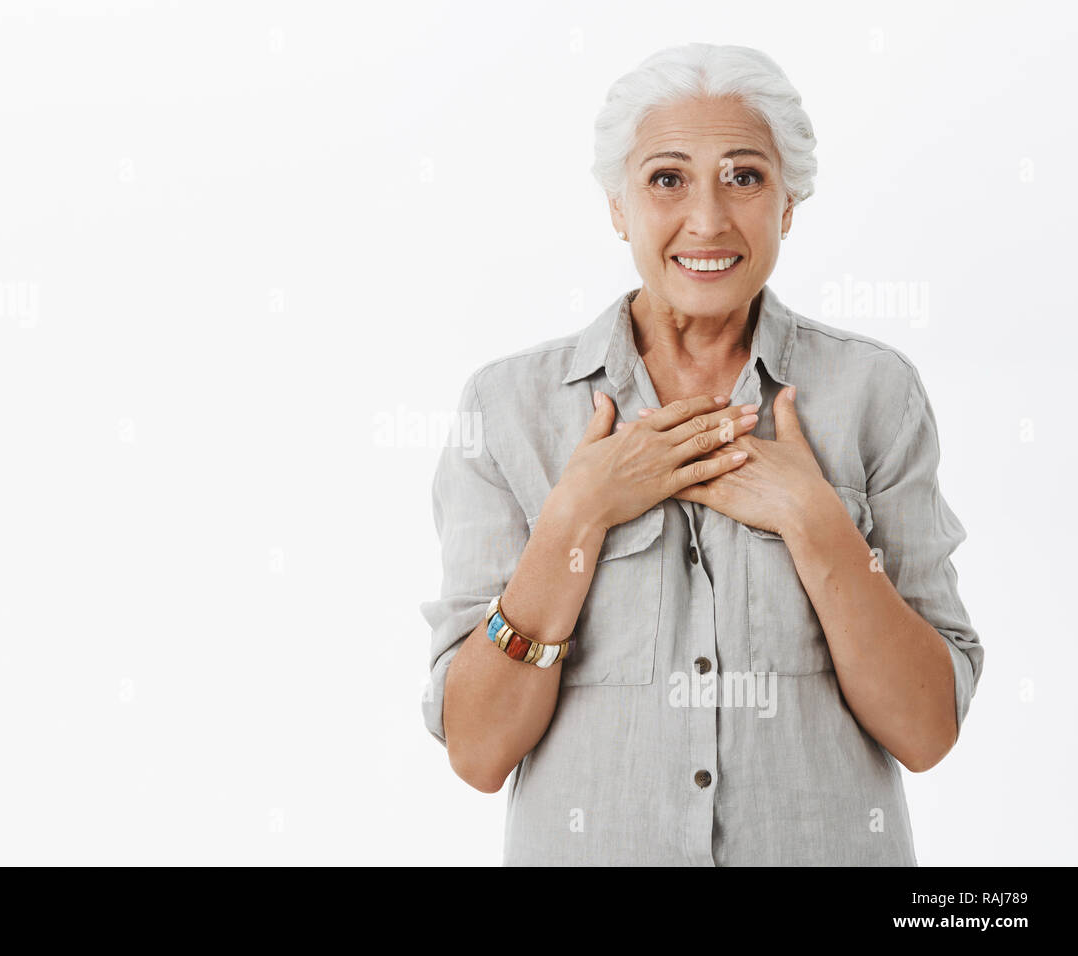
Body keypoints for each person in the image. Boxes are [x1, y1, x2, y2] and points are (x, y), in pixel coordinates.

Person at [419, 42, 983, 866]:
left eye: (746, 176)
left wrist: (816, 522)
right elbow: (476, 750)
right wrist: (576, 515)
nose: (709, 219)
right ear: (618, 206)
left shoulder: (876, 396)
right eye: (667, 178)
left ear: (790, 203)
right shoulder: (507, 408)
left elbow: (927, 730)